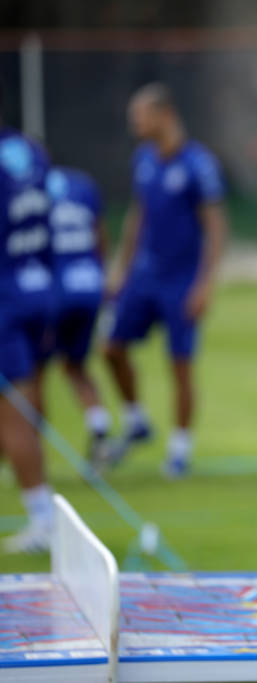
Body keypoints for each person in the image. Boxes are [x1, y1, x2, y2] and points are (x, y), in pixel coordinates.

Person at [104, 83, 228, 478]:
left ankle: (179, 450)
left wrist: (204, 284)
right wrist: (121, 270)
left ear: (164, 115)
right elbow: (138, 215)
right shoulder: (143, 159)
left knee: (180, 366)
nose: (135, 124)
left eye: (140, 116)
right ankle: (136, 420)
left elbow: (216, 227)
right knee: (110, 348)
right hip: (144, 277)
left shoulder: (198, 164)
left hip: (181, 281)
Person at [0, 92, 57, 553]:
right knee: (29, 397)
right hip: (39, 285)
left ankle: (42, 518)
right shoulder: (31, 152)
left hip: (7, 296)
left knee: (12, 412)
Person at [45, 165, 111, 463]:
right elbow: (100, 234)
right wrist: (102, 275)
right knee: (76, 367)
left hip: (54, 289)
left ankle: (27, 452)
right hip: (89, 286)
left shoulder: (24, 187)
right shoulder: (82, 184)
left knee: (30, 374)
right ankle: (99, 429)